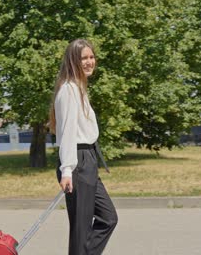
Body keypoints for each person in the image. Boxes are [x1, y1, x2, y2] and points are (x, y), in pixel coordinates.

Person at [49, 39, 118, 255]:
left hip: (88, 159)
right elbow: (68, 132)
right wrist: (67, 170)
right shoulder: (69, 90)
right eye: (84, 58)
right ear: (73, 61)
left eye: (91, 57)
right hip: (77, 161)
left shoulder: (78, 88)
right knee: (81, 228)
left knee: (108, 218)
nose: (89, 62)